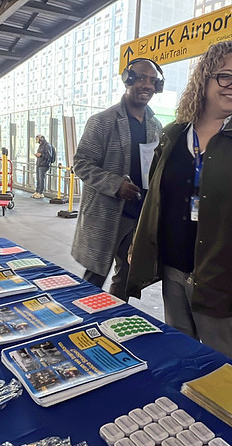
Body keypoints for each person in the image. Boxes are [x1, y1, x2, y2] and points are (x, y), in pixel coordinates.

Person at [126, 41, 232, 365]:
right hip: (175, 264)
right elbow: (156, 196)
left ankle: (225, 415)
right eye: (225, 76)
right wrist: (140, 242)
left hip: (226, 272)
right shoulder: (175, 133)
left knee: (224, 361)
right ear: (204, 79)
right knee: (179, 350)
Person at [71, 58, 164, 300]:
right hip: (107, 213)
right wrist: (115, 185)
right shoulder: (102, 122)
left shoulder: (156, 125)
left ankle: (115, 319)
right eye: (141, 78)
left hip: (139, 214)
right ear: (128, 79)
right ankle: (85, 320)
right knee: (95, 275)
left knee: (128, 275)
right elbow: (81, 164)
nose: (147, 85)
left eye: (153, 81)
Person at [32, 135, 53, 199]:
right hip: (39, 164)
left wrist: (41, 155)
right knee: (38, 179)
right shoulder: (40, 146)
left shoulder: (47, 145)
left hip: (44, 165)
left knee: (41, 179)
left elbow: (49, 155)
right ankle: (37, 191)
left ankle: (40, 192)